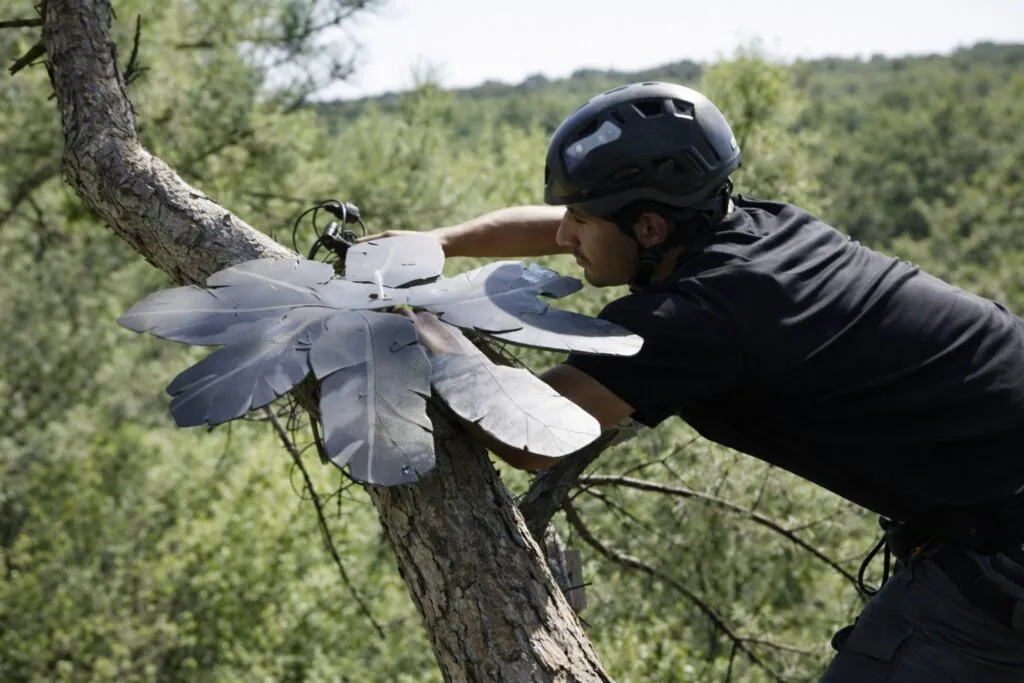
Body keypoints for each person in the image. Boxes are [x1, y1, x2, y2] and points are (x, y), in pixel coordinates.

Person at [362, 81, 1024, 681]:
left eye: (581, 220)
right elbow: (573, 229)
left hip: (1001, 551)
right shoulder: (763, 226)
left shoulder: (699, 316)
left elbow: (534, 432)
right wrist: (437, 242)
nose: (565, 234)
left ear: (650, 226)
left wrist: (411, 319)